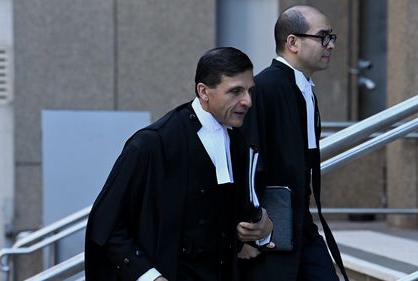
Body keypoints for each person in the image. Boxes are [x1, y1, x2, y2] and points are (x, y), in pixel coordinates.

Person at [85, 47, 273, 281]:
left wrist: (263, 229)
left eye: (249, 91)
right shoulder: (152, 143)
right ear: (203, 91)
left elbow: (234, 219)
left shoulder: (237, 140)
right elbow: (106, 224)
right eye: (235, 91)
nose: (247, 101)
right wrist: (150, 277)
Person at [240, 5, 349, 281]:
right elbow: (246, 161)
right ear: (293, 42)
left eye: (332, 37)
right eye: (323, 36)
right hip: (269, 229)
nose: (330, 45)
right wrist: (248, 230)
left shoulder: (304, 89)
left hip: (300, 224)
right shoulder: (264, 88)